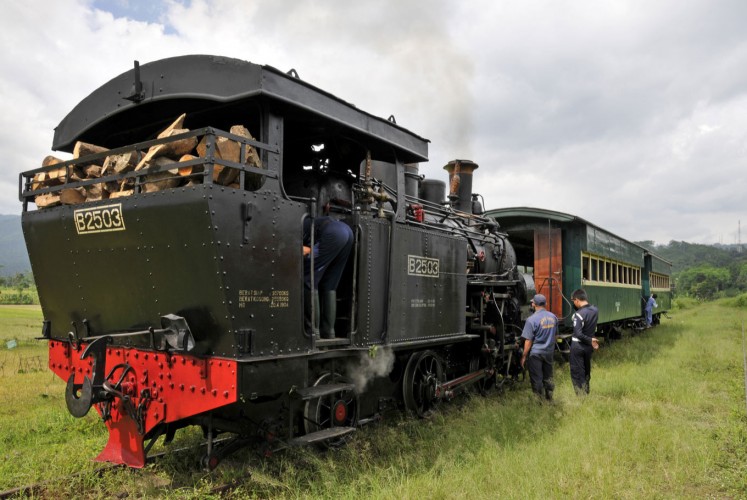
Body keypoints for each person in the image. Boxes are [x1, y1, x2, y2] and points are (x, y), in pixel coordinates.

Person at [303, 216, 354, 339]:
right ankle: (328, 331)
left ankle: (312, 331)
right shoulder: (310, 219)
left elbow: (304, 250)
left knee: (308, 278)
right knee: (330, 285)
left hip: (333, 233)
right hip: (347, 232)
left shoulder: (299, 224)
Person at [520, 293, 558, 402]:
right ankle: (550, 399)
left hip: (536, 354)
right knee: (548, 377)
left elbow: (528, 341)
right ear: (545, 304)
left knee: (537, 379)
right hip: (549, 353)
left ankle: (539, 403)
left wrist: (523, 356)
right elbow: (556, 336)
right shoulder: (553, 317)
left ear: (533, 304)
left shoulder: (531, 320)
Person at [570, 289, 599, 395]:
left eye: (574, 301)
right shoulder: (595, 310)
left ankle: (580, 397)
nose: (574, 303)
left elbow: (578, 333)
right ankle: (586, 392)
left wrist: (590, 340)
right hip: (588, 347)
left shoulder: (579, 314)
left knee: (577, 373)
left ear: (577, 300)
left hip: (578, 346)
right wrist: (591, 340)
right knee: (586, 371)